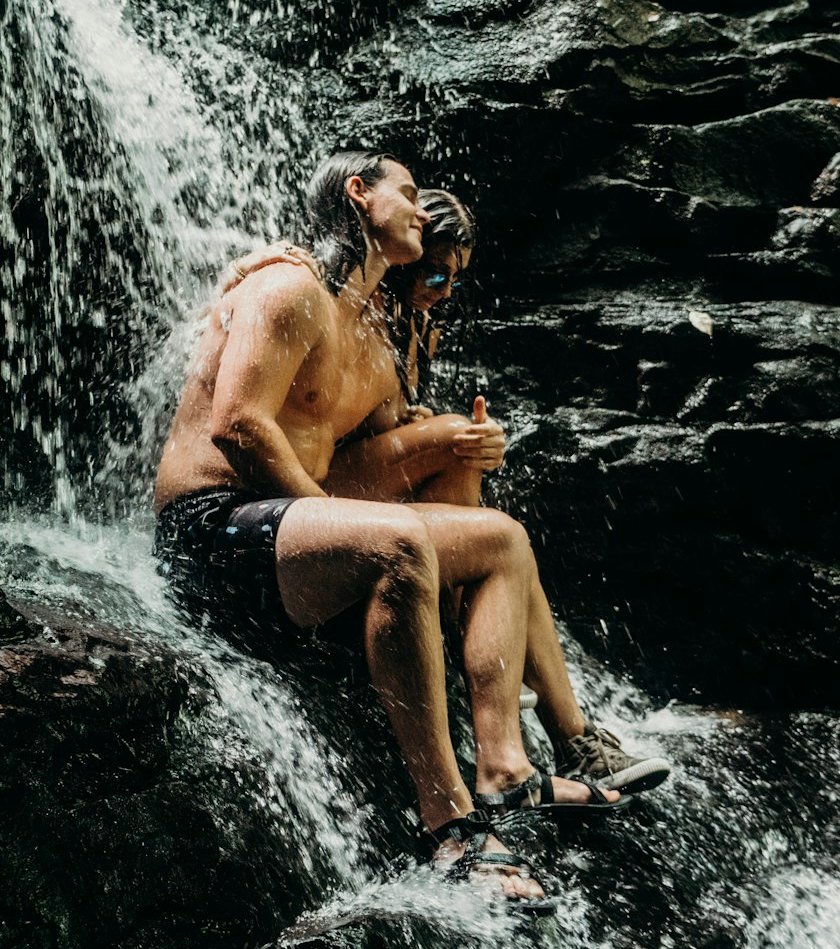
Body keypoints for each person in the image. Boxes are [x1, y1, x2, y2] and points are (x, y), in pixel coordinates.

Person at [155, 151, 624, 908]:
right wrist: (331, 515)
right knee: (397, 542)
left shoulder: (364, 326)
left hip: (286, 534)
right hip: (212, 532)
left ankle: (506, 766)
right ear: (357, 194)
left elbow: (384, 448)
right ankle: (450, 827)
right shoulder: (289, 284)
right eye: (406, 192)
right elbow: (237, 424)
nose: (420, 206)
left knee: (502, 539)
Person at [321, 188, 672, 798]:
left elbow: (387, 419)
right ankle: (562, 729)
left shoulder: (415, 326)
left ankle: (574, 737)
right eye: (434, 271)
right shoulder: (355, 304)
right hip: (314, 500)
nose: (444, 289)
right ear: (404, 258)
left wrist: (437, 430)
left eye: (454, 278)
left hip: (363, 490)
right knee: (461, 446)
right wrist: (440, 433)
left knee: (481, 492)